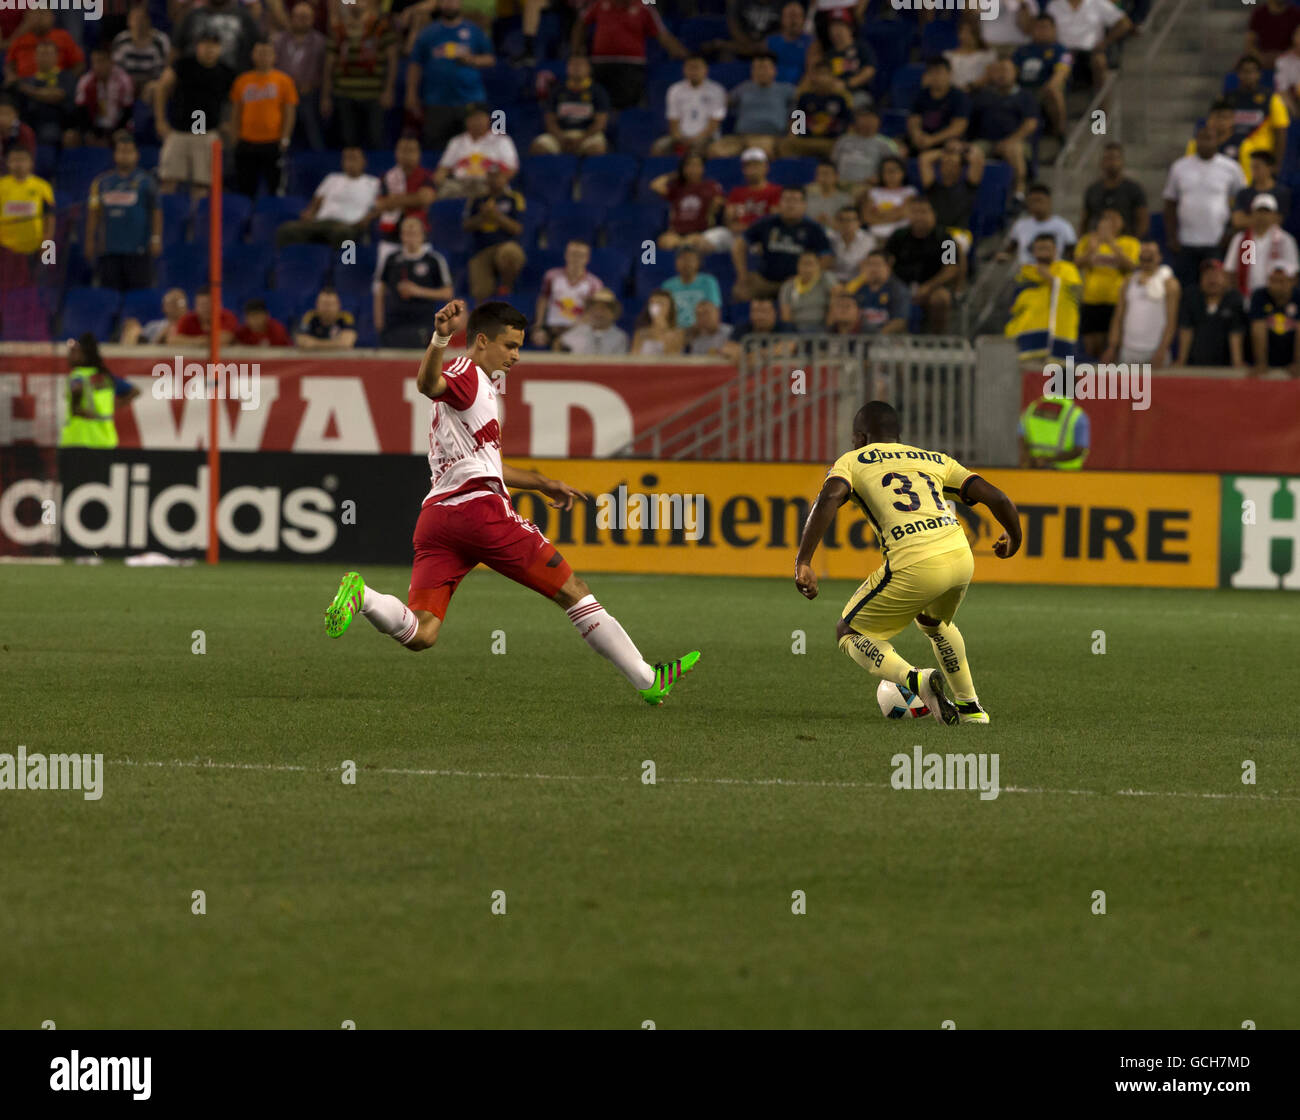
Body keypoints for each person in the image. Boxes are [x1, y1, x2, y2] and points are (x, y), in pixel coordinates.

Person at [323, 299, 701, 705]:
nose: (516, 355)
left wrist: (540, 482)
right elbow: (427, 386)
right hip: (479, 512)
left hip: (438, 517)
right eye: (510, 345)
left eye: (519, 346)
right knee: (572, 589)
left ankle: (363, 596)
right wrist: (440, 338)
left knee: (423, 631)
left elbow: (488, 463)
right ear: (482, 340)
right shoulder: (466, 373)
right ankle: (648, 680)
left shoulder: (479, 387)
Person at [795, 399, 1022, 725]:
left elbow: (829, 497)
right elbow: (996, 497)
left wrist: (803, 560)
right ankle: (971, 708)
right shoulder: (934, 459)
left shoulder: (853, 460)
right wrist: (1014, 537)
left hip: (915, 562)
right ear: (897, 435)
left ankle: (916, 680)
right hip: (960, 558)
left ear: (859, 437)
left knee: (848, 630)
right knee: (934, 622)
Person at [1163, 125, 1246, 290]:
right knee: (1187, 289)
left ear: (1217, 141)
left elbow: (1242, 200)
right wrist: (1172, 235)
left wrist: (1230, 232)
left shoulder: (1230, 168)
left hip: (1216, 241)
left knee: (1215, 287)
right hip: (1186, 241)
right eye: (1201, 138)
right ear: (1195, 140)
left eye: (1209, 138)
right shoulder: (1180, 167)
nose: (1205, 142)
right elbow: (1170, 203)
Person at [154, 31, 236, 197]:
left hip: (207, 134)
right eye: (205, 44)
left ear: (219, 49)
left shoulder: (226, 72)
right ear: (198, 47)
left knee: (202, 185)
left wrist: (229, 123)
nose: (209, 49)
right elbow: (161, 88)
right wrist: (160, 120)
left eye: (214, 45)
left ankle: (197, 221)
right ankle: (168, 220)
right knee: (168, 180)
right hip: (179, 132)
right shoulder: (183, 65)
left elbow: (234, 101)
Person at [406, 0, 493, 151]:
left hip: (470, 100)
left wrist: (472, 59)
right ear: (439, 4)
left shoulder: (473, 30)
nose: (449, 4)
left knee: (474, 148)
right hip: (437, 101)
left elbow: (490, 59)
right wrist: (411, 93)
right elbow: (415, 64)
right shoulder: (428, 33)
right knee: (436, 149)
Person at [572, 0, 687, 113]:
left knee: (625, 108)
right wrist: (576, 52)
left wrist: (687, 56)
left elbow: (663, 36)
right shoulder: (599, 4)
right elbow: (580, 24)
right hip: (601, 63)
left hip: (631, 66)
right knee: (597, 104)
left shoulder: (645, 9)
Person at [86, 132, 160, 292]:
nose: (125, 156)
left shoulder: (147, 182)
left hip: (138, 250)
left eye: (129, 152)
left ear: (136, 155)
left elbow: (156, 211)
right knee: (109, 293)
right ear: (114, 155)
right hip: (109, 249)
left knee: (138, 295)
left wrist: (155, 238)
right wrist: (91, 240)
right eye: (121, 151)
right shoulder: (101, 183)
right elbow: (94, 213)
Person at [323, 0, 398, 152]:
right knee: (348, 142)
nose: (356, 2)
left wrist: (389, 90)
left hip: (374, 94)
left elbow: (393, 61)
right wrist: (325, 96)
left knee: (375, 140)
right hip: (344, 94)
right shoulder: (338, 30)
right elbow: (329, 66)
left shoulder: (381, 28)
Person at [734, 185, 832, 300]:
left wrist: (807, 277)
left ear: (804, 205)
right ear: (779, 203)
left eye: (795, 200)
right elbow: (739, 244)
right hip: (765, 280)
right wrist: (742, 275)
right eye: (786, 200)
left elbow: (826, 258)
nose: (790, 205)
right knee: (739, 292)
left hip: (797, 284)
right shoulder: (767, 223)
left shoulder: (814, 229)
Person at [230, 38, 297, 198]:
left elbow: (289, 112)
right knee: (245, 188)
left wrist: (285, 138)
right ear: (253, 55)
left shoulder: (284, 81)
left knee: (275, 188)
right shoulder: (242, 80)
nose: (263, 57)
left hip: (273, 142)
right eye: (259, 53)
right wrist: (234, 136)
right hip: (246, 142)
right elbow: (236, 111)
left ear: (274, 56)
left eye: (267, 53)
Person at [276, 146, 381, 247]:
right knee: (286, 230)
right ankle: (290, 263)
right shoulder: (332, 178)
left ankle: (347, 263)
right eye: (347, 158)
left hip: (350, 225)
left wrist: (366, 220)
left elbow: (378, 208)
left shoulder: (374, 183)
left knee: (343, 234)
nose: (350, 163)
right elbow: (317, 201)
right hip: (321, 222)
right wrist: (310, 212)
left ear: (364, 162)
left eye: (354, 158)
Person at [375, 215, 454, 349]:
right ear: (401, 235)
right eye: (407, 233)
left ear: (422, 235)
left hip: (422, 323)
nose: (410, 237)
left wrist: (418, 291)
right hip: (394, 323)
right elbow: (380, 290)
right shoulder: (391, 259)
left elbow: (447, 293)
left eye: (414, 233)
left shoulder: (434, 260)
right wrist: (379, 320)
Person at [884, 198, 960, 333]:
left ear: (933, 214)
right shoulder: (898, 236)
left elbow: (951, 269)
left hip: (932, 287)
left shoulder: (945, 238)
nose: (919, 216)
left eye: (923, 212)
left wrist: (928, 286)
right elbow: (886, 262)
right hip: (901, 285)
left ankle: (937, 339)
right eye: (915, 212)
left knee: (941, 298)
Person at [368, 132, 436, 277]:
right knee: (382, 280)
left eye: (411, 150)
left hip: (419, 237)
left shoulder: (426, 176)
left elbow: (425, 199)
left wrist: (395, 200)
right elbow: (380, 204)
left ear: (418, 153)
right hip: (390, 236)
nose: (407, 154)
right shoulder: (388, 176)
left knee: (422, 278)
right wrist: (412, 199)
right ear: (396, 153)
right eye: (403, 150)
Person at [969, 57, 1039, 201]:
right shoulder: (984, 96)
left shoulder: (1026, 96)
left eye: (1006, 70)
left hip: (1015, 142)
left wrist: (1010, 140)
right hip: (987, 141)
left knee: (1013, 149)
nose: (1001, 74)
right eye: (997, 71)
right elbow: (971, 123)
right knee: (971, 151)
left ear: (1015, 73)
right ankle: (973, 193)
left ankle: (1019, 192)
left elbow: (1031, 124)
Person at [1005, 233, 1082, 362]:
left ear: (1055, 250)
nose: (1043, 251)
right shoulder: (1025, 275)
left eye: (1047, 248)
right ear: (1033, 252)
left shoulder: (1068, 270)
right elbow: (1015, 308)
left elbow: (1075, 296)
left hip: (1058, 344)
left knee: (1061, 381)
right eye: (1040, 248)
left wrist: (1051, 279)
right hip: (1027, 344)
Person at [1073, 207, 1138, 358]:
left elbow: (1131, 266)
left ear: (1122, 223)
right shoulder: (1087, 240)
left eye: (1115, 218)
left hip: (1116, 300)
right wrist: (1091, 250)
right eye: (1106, 218)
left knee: (1112, 347)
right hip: (1090, 299)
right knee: (1092, 347)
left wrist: (1111, 243)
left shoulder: (1130, 242)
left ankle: (1110, 379)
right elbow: (1076, 264)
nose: (1110, 222)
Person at [1103, 240, 1179, 366]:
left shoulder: (1170, 284)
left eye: (1151, 254)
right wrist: (1112, 346)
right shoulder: (1128, 282)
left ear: (1159, 257)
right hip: (1128, 350)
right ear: (1139, 257)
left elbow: (1171, 321)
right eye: (1144, 254)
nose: (1147, 256)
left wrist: (1162, 349)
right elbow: (1118, 317)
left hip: (1154, 350)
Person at [58, 334, 138, 450]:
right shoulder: (106, 377)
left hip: (79, 441)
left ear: (84, 355)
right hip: (105, 442)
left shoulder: (78, 376)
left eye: (74, 352)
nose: (69, 356)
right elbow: (134, 391)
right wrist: (115, 405)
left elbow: (76, 390)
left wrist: (77, 407)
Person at [709, 52, 794, 159]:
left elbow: (799, 113)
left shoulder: (786, 90)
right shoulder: (743, 88)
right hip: (742, 137)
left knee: (761, 153)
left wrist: (793, 136)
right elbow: (722, 104)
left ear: (774, 70)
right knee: (714, 150)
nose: (761, 72)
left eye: (765, 68)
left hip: (770, 138)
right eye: (757, 68)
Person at [463, 164, 526, 302]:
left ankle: (506, 286)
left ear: (505, 178)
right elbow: (465, 226)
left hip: (505, 245)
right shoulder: (477, 199)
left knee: (510, 254)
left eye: (498, 176)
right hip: (481, 249)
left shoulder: (514, 198)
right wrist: (483, 216)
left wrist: (496, 216)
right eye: (490, 176)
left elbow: (518, 228)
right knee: (480, 292)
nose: (494, 180)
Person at [1224, 54, 1290, 180]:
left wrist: (1276, 164)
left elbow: (1281, 133)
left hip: (1259, 161)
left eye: (1252, 71)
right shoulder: (1227, 98)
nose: (1248, 75)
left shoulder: (1272, 99)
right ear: (1238, 74)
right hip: (1232, 156)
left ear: (1259, 74)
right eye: (1244, 71)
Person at [434, 104, 519, 200]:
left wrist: (500, 179)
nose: (477, 121)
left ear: (489, 119)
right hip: (460, 184)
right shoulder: (456, 141)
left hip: (487, 184)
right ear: (466, 121)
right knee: (443, 192)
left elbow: (511, 169)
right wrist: (438, 178)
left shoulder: (502, 140)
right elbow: (444, 167)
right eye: (473, 117)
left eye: (480, 117)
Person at [532, 54, 611, 157]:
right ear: (567, 68)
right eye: (573, 64)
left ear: (589, 69)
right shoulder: (557, 90)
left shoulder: (598, 91)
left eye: (580, 65)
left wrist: (581, 140)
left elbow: (600, 123)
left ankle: (584, 173)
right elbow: (549, 120)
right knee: (538, 148)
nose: (576, 68)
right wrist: (561, 138)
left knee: (596, 150)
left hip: (587, 135)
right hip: (561, 134)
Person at [1044, 0, 1132, 91]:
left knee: (1099, 61)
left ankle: (1102, 104)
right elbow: (1046, 28)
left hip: (1091, 52)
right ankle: (1054, 93)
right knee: (1061, 65)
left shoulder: (1098, 3)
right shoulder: (1054, 5)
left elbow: (1124, 23)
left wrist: (1105, 43)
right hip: (1066, 53)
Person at [274, 3, 327, 151]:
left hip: (309, 94)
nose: (302, 20)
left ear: (312, 19)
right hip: (282, 97)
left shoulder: (320, 42)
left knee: (314, 132)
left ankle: (318, 158)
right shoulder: (278, 41)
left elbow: (325, 72)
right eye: (298, 17)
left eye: (306, 17)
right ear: (291, 18)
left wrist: (315, 86)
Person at [1224, 194, 1299, 297]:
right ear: (1252, 213)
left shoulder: (1285, 240)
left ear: (1274, 215)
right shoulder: (1241, 239)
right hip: (1245, 296)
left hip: (1274, 298)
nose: (1262, 216)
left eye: (1266, 212)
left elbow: (1293, 274)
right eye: (1259, 211)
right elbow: (1230, 271)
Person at [0, 145, 54, 291]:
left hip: (34, 249)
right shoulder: (1, 186)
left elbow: (50, 218)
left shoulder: (42, 186)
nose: (19, 164)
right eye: (14, 160)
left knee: (34, 288)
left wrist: (48, 245)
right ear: (7, 163)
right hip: (6, 251)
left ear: (31, 163)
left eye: (23, 160)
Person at [533, 239, 603, 349]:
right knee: (538, 339)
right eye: (573, 254)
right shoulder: (552, 276)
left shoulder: (594, 283)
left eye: (580, 255)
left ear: (587, 258)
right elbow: (543, 299)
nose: (576, 259)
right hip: (552, 328)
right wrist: (538, 326)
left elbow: (593, 311)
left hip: (578, 330)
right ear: (566, 255)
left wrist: (574, 330)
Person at [1174, 259, 1245, 369]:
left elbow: (1235, 333)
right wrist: (1181, 361)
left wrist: (1237, 363)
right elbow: (1186, 330)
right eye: (1207, 275)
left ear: (1226, 279)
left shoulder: (1234, 299)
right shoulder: (1191, 297)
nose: (1212, 280)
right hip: (1194, 366)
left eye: (1216, 275)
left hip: (1225, 368)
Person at [651, 152, 726, 253]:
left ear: (702, 168)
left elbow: (720, 202)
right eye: (689, 165)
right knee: (663, 241)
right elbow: (655, 185)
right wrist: (676, 175)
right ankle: (683, 245)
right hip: (677, 233)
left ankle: (683, 246)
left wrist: (714, 207)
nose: (693, 169)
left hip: (699, 232)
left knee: (696, 241)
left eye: (696, 165)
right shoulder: (678, 188)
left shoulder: (710, 186)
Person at [1013, 12, 1072, 139]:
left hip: (1044, 89)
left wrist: (1051, 85)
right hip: (1022, 89)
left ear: (1054, 29)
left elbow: (1062, 72)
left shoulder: (1063, 51)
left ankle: (1059, 131)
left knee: (1054, 91)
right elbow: (1012, 71)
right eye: (1037, 27)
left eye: (1045, 27)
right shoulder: (1022, 51)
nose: (1040, 31)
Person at [654, 53, 725, 157]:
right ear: (684, 70)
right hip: (680, 136)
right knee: (658, 147)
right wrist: (680, 138)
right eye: (690, 67)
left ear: (705, 69)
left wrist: (695, 140)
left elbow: (714, 125)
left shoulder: (717, 90)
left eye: (697, 67)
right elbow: (673, 121)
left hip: (707, 137)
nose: (693, 71)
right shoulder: (675, 90)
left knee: (696, 152)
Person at [779, 60, 852, 158]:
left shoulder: (840, 99)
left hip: (830, 142)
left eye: (825, 74)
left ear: (832, 77)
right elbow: (796, 122)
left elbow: (847, 123)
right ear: (813, 77)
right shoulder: (805, 97)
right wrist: (793, 134)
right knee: (785, 145)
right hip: (805, 140)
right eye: (819, 74)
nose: (822, 78)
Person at [12, 39, 78, 148]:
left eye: (48, 53)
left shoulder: (67, 77)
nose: (45, 57)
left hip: (59, 124)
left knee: (49, 132)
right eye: (41, 53)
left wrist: (25, 89)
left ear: (57, 56)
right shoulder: (27, 80)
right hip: (30, 124)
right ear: (35, 56)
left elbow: (56, 95)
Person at [1080, 141, 1147, 236]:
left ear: (1122, 161)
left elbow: (1143, 221)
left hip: (1125, 243)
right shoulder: (1092, 190)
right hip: (1097, 243)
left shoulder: (1134, 189)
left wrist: (1133, 242)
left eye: (1115, 158)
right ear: (1101, 162)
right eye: (1108, 158)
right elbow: (1084, 221)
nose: (1112, 162)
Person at [1000, 181, 1076, 264]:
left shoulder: (1063, 226)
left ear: (1049, 201)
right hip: (1027, 272)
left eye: (1039, 200)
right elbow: (1011, 248)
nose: (1036, 205)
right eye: (1032, 201)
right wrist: (1003, 255)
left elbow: (1071, 253)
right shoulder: (1020, 225)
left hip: (1053, 272)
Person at [907, 57, 970, 156]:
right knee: (898, 147)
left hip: (945, 141)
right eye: (931, 72)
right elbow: (914, 120)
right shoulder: (921, 95)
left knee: (954, 147)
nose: (935, 77)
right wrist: (916, 134)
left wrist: (932, 140)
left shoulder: (959, 97)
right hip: (923, 139)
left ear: (949, 74)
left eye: (939, 72)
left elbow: (958, 127)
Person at [72, 46, 134, 146]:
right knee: (72, 137)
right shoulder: (85, 82)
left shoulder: (124, 80)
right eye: (94, 62)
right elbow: (81, 112)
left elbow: (127, 111)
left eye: (101, 61)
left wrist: (116, 131)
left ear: (111, 62)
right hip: (94, 127)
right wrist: (91, 133)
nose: (97, 66)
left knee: (121, 137)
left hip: (118, 127)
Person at [174, 0, 260, 72]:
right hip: (193, 81)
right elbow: (176, 49)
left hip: (233, 82)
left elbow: (257, 51)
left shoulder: (244, 18)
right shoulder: (193, 16)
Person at [1248, 265, 1300, 377]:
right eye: (1273, 281)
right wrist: (1261, 363)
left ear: (1292, 282)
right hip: (1269, 357)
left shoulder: (1298, 296)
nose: (1277, 286)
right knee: (1258, 327)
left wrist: (1298, 363)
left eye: (1281, 281)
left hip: (1291, 357)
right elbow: (1258, 327)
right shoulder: (1259, 295)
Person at [112, 4, 171, 102]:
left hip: (151, 85)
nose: (138, 23)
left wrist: (153, 84)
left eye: (141, 19)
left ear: (149, 21)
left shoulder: (160, 41)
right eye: (134, 18)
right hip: (127, 85)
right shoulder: (121, 40)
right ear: (128, 21)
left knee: (157, 89)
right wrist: (128, 85)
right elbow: (116, 70)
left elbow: (166, 68)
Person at [844, 250, 911, 335]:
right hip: (858, 338)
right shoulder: (859, 287)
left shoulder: (898, 289)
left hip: (886, 340)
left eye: (878, 264)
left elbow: (900, 321)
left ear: (888, 267)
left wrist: (877, 336)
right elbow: (844, 304)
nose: (873, 268)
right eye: (870, 264)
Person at [831, 107, 899, 190]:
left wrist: (879, 178)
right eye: (863, 117)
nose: (867, 121)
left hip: (868, 188)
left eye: (871, 117)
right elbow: (832, 164)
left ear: (878, 121)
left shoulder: (886, 144)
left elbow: (894, 171)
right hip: (839, 186)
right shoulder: (843, 140)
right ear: (856, 120)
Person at [817, 15, 875, 110]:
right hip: (834, 94)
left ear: (850, 28)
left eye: (840, 26)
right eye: (832, 28)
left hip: (858, 93)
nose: (836, 31)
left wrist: (847, 84)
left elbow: (869, 70)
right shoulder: (829, 54)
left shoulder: (861, 48)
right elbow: (823, 74)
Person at [1018, 393, 1090, 469]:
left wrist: (1027, 459)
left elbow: (1021, 436)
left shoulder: (1033, 407)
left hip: (1034, 470)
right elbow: (1079, 450)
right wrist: (1048, 460)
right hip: (1066, 474)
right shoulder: (1076, 415)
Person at [723, 147, 782, 237]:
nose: (752, 169)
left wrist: (749, 228)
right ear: (743, 169)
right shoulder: (736, 192)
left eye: (756, 165)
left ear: (766, 167)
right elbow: (729, 220)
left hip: (763, 235)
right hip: (735, 234)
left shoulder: (776, 191)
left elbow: (775, 220)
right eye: (748, 166)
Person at [662, 246, 722, 330]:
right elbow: (663, 315)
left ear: (698, 262)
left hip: (701, 332)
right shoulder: (667, 285)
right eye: (682, 259)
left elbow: (714, 312)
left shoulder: (708, 282)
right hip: (676, 333)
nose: (686, 263)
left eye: (690, 259)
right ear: (676, 263)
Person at [1231, 151, 1292, 231]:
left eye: (1257, 167)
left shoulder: (1282, 193)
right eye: (1251, 167)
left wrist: (1249, 219)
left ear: (1270, 168)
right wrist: (1265, 219)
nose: (1253, 171)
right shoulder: (1243, 194)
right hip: (1250, 239)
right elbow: (1237, 221)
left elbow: (1280, 220)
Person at [557, 288, 629, 355]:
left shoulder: (620, 337)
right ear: (589, 311)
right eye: (595, 308)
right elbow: (559, 344)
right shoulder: (577, 331)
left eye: (604, 309)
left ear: (613, 313)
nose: (599, 313)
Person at [861, 156, 916, 242]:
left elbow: (904, 213)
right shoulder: (873, 192)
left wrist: (879, 213)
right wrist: (895, 211)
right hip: (875, 236)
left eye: (893, 171)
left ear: (903, 172)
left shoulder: (909, 192)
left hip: (901, 237)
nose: (890, 175)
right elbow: (867, 218)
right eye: (885, 171)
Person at [169, 286, 239, 344]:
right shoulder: (187, 319)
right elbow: (173, 340)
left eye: (210, 304)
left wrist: (189, 341)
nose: (206, 308)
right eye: (202, 305)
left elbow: (223, 340)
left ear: (219, 305)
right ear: (195, 306)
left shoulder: (228, 317)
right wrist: (203, 341)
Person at [766, 1, 812, 86]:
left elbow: (811, 72)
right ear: (782, 19)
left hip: (799, 90)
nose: (793, 20)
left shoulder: (811, 42)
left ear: (803, 20)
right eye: (790, 16)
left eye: (797, 16)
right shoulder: (770, 42)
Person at [945, 19, 997, 92]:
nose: (966, 36)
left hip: (978, 92)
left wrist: (970, 87)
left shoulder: (987, 54)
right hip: (952, 93)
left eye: (970, 32)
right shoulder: (948, 55)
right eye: (963, 32)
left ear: (977, 34)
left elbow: (989, 75)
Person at [1246, 0, 1300, 71]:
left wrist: (1282, 57)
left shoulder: (1296, 13)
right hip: (1262, 60)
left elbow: (1298, 43)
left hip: (1289, 61)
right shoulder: (1258, 13)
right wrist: (1260, 58)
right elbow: (1249, 43)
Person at [121, 287, 188, 344]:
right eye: (170, 303)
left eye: (179, 303)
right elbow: (143, 345)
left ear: (186, 306)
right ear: (164, 306)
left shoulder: (192, 326)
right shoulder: (154, 326)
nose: (174, 306)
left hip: (181, 358)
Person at [827, 203, 874, 283]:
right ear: (836, 222)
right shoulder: (831, 239)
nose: (846, 224)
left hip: (858, 282)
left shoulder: (868, 241)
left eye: (849, 220)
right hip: (834, 282)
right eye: (841, 220)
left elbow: (868, 267)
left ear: (859, 222)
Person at [631, 289, 685, 356]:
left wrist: (660, 326)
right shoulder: (640, 333)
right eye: (652, 303)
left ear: (670, 308)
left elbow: (671, 357)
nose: (655, 307)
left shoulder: (678, 333)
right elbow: (634, 357)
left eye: (660, 303)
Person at [803, 158, 852, 229]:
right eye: (819, 174)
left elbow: (849, 225)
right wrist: (815, 223)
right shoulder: (807, 197)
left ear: (836, 176)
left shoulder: (846, 200)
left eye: (826, 174)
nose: (822, 178)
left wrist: (830, 223)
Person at [0, 95, 36, 162]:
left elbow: (29, 160)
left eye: (7, 114)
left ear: (16, 114)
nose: (2, 118)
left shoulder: (25, 131)